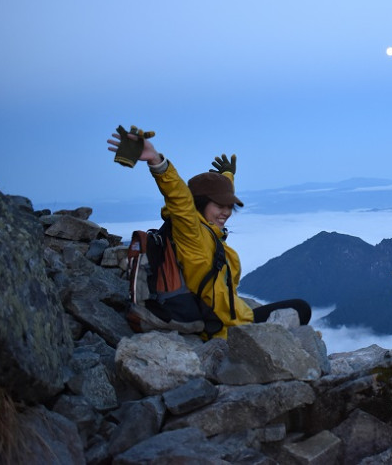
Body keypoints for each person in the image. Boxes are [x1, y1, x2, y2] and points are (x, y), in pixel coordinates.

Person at [107, 125, 311, 339]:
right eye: (219, 206)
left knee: (300, 308)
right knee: (300, 310)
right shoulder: (191, 233)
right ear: (201, 204)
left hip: (234, 318)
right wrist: (157, 161)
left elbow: (212, 198)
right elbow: (181, 199)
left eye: (230, 206)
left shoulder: (209, 230)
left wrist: (227, 176)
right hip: (224, 330)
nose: (226, 212)